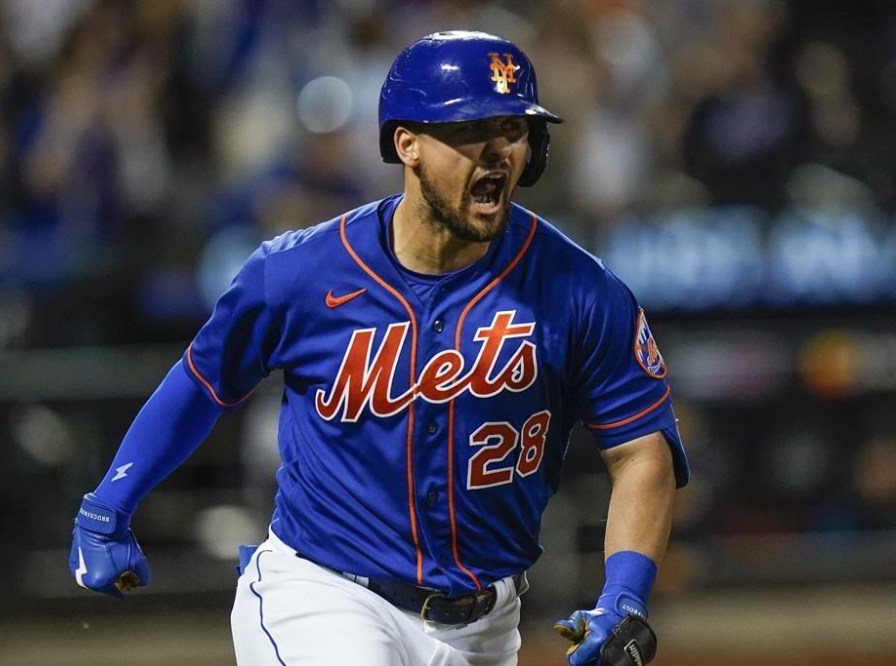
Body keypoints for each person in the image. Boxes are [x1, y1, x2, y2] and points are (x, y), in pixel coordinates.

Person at [68, 30, 689, 666]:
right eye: (470, 129)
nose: (498, 151)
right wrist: (110, 501)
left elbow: (642, 450)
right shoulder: (299, 273)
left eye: (512, 128)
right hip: (322, 594)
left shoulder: (581, 291)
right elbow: (204, 381)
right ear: (407, 144)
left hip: (487, 626)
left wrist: (626, 594)